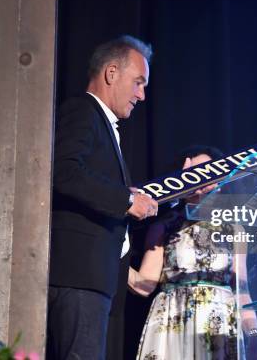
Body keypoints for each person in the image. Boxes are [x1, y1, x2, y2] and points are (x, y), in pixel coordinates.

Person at [47, 36, 159, 360]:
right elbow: (64, 171)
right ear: (111, 73)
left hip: (95, 280)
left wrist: (129, 197)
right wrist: (126, 200)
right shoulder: (83, 110)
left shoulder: (103, 123)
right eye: (138, 83)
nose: (142, 94)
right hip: (77, 277)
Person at [128, 145, 257, 360]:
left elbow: (241, 289)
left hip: (219, 320)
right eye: (192, 173)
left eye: (206, 172)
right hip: (173, 317)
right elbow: (145, 284)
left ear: (219, 180)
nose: (199, 179)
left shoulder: (234, 229)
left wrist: (255, 333)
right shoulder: (165, 225)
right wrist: (110, 261)